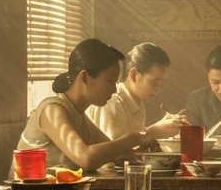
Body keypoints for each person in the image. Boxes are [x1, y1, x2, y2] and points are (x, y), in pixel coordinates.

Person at [15, 39, 154, 174]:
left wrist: (142, 152)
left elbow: (116, 155)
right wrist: (134, 138)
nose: (114, 89)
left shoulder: (79, 115)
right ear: (84, 77)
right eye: (110, 81)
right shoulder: (52, 110)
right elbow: (86, 158)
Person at [87, 42, 188, 142]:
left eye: (161, 82)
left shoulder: (136, 101)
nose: (158, 89)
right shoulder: (111, 103)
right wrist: (152, 132)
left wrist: (160, 128)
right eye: (154, 81)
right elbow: (114, 152)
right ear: (134, 74)